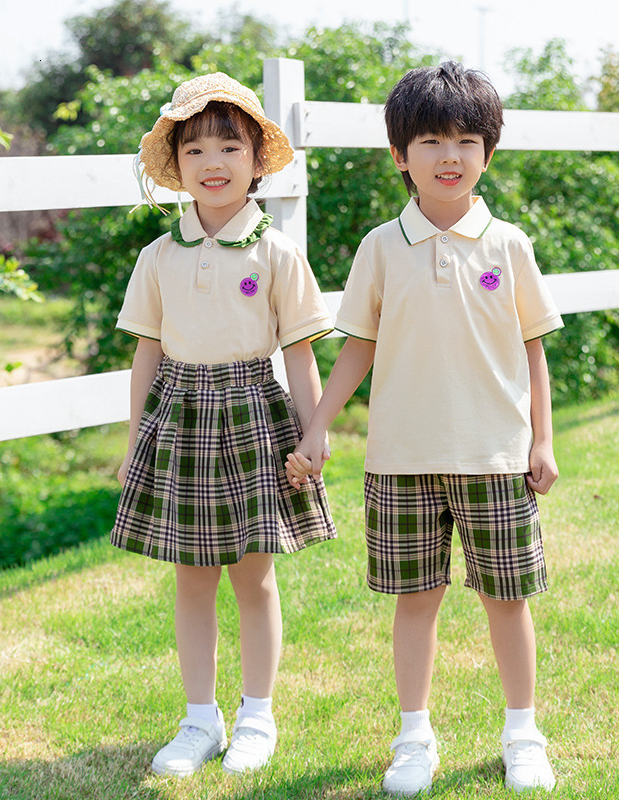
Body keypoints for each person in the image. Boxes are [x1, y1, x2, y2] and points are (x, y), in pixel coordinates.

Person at [286, 61, 563, 795]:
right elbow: (358, 346)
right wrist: (317, 427)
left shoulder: (509, 244)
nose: (450, 156)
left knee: (508, 598)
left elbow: (534, 348)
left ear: (488, 153)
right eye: (433, 140)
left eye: (468, 140)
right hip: (401, 459)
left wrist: (542, 440)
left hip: (497, 456)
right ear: (398, 155)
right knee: (417, 600)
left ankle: (522, 731)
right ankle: (414, 737)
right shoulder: (381, 247)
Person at [111, 72, 336, 779]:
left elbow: (300, 357)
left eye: (229, 148)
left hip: (253, 418)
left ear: (257, 161)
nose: (213, 163)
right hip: (178, 419)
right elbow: (147, 354)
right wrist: (131, 446)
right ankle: (198, 719)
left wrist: (313, 432)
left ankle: (257, 715)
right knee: (192, 578)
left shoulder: (277, 253)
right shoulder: (158, 257)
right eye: (196, 149)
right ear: (176, 165)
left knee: (254, 579)